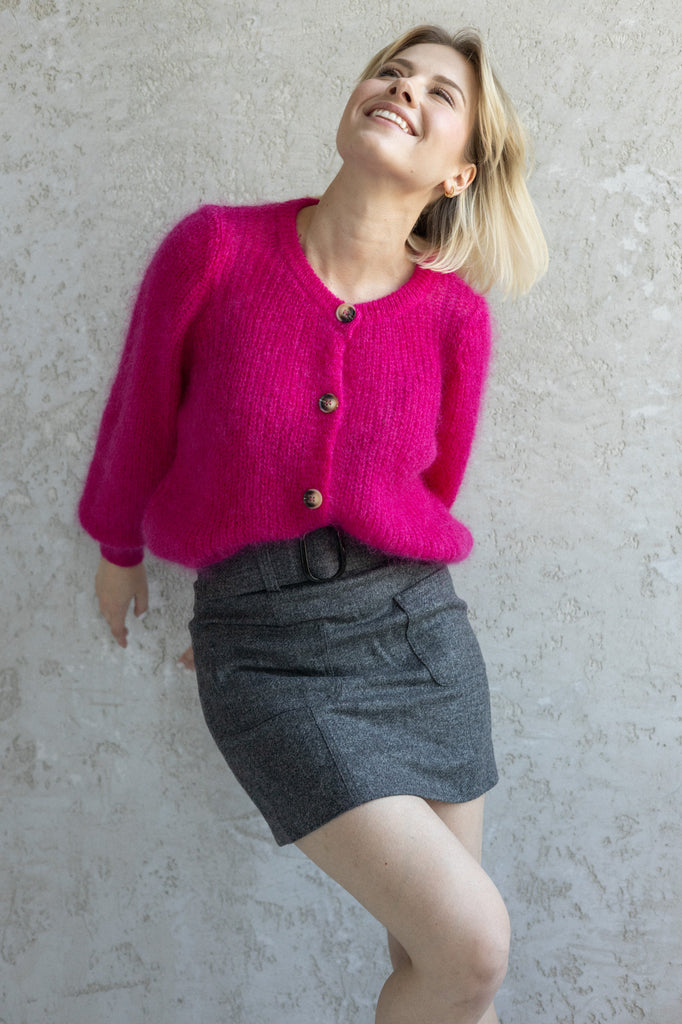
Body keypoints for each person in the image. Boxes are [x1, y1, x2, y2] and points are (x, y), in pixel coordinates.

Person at [79, 24, 547, 1024]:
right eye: (392, 73)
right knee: (473, 947)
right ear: (353, 101)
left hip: (422, 642)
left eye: (439, 93)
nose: (403, 90)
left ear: (459, 173)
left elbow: (433, 486)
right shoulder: (215, 249)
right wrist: (125, 553)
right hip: (266, 656)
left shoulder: (454, 318)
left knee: (445, 967)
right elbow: (139, 413)